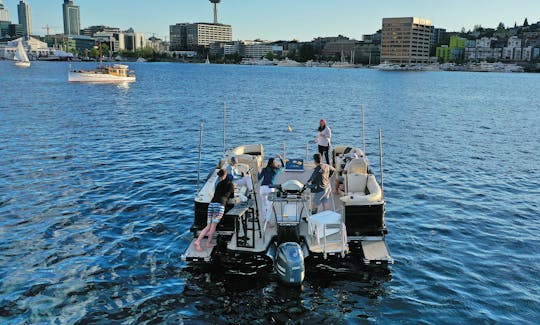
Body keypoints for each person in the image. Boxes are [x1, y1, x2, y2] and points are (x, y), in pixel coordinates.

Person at [194, 168, 234, 252]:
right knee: (213, 226)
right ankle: (208, 243)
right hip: (219, 206)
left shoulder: (219, 183)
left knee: (208, 226)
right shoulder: (231, 185)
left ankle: (198, 241)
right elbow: (231, 196)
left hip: (211, 204)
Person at [258, 154, 284, 226]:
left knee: (263, 205)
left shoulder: (264, 169)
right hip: (270, 189)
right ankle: (268, 221)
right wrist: (281, 158)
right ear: (274, 163)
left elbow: (259, 178)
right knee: (269, 206)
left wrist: (258, 172)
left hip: (262, 188)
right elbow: (284, 167)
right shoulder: (276, 170)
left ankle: (264, 219)